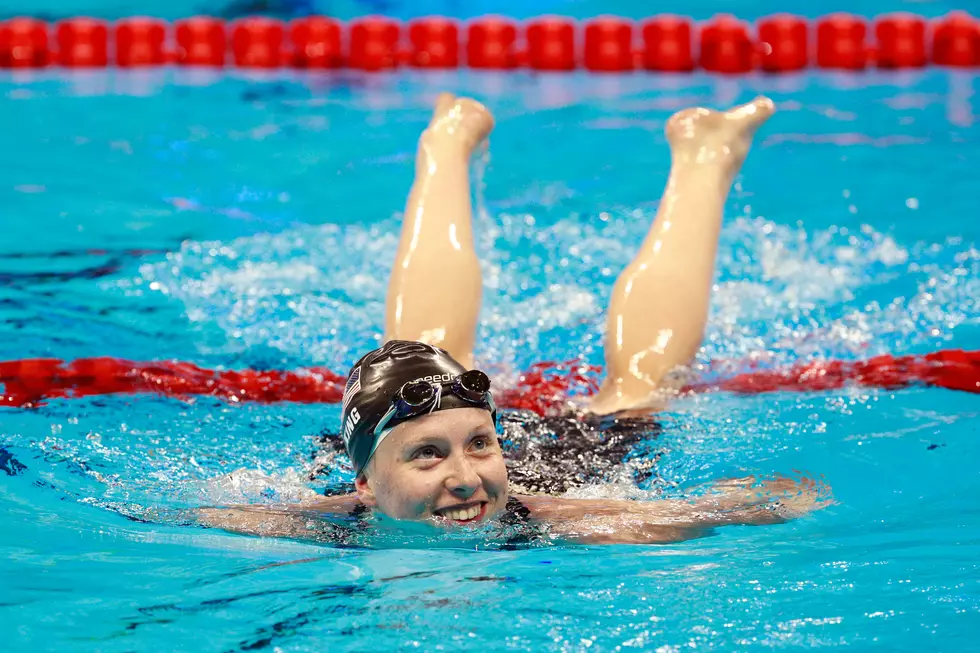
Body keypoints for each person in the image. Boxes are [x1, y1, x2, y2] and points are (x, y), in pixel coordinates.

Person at [197, 93, 831, 546]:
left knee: (637, 387)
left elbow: (690, 516)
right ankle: (448, 140)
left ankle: (706, 156)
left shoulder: (548, 509)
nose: (466, 480)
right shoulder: (333, 515)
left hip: (570, 463)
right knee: (616, 385)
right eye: (427, 456)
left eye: (480, 444)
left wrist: (749, 507)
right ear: (362, 483)